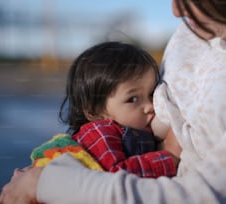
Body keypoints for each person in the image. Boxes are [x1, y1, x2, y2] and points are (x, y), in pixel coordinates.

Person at [0, 0, 226, 203]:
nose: (176, 9)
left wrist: (48, 183)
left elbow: (203, 197)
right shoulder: (193, 30)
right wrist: (58, 167)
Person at [31, 41, 179, 178]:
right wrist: (169, 157)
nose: (150, 106)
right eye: (132, 99)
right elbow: (115, 175)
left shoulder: (135, 127)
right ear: (94, 112)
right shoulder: (100, 132)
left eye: (151, 94)